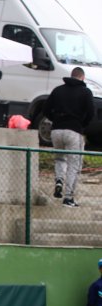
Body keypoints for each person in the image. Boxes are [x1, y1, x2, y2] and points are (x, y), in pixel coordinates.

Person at [43, 67, 94, 208]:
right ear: (82, 77)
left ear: (71, 76)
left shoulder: (58, 90)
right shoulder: (86, 92)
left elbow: (46, 109)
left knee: (60, 158)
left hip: (56, 131)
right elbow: (91, 112)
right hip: (74, 131)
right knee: (74, 164)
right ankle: (68, 198)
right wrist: (81, 124)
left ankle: (59, 179)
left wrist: (56, 120)